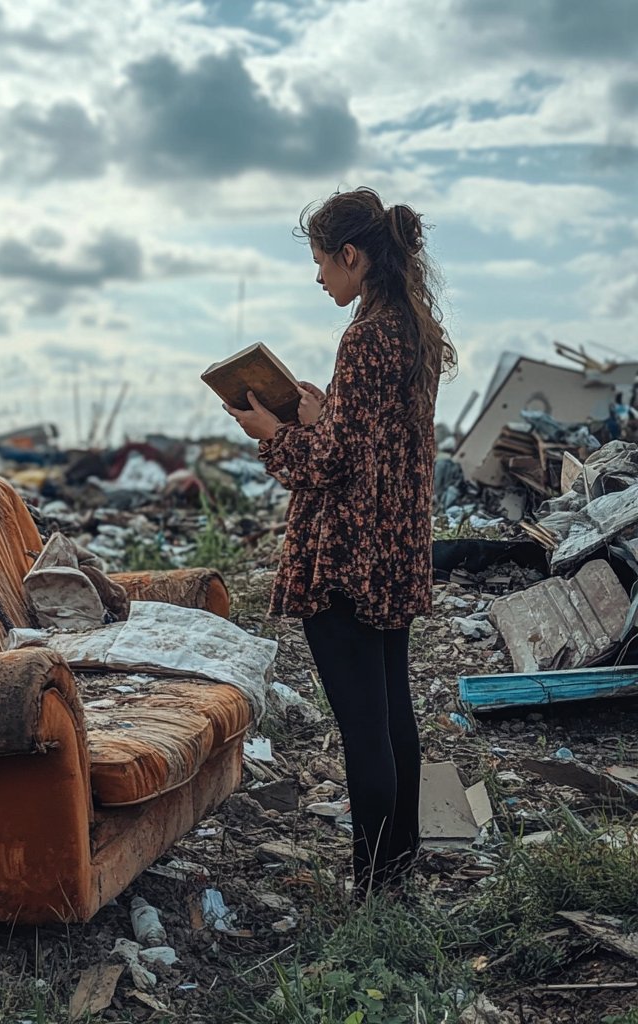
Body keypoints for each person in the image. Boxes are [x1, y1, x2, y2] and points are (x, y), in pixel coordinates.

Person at [224, 187, 457, 897]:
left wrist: (274, 435)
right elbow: (372, 439)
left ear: (352, 256)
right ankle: (397, 869)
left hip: (346, 556)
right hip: (394, 548)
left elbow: (331, 466)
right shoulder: (411, 329)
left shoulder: (364, 337)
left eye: (323, 261)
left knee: (364, 728)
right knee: (393, 716)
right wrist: (321, 411)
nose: (319, 276)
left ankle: (375, 887)